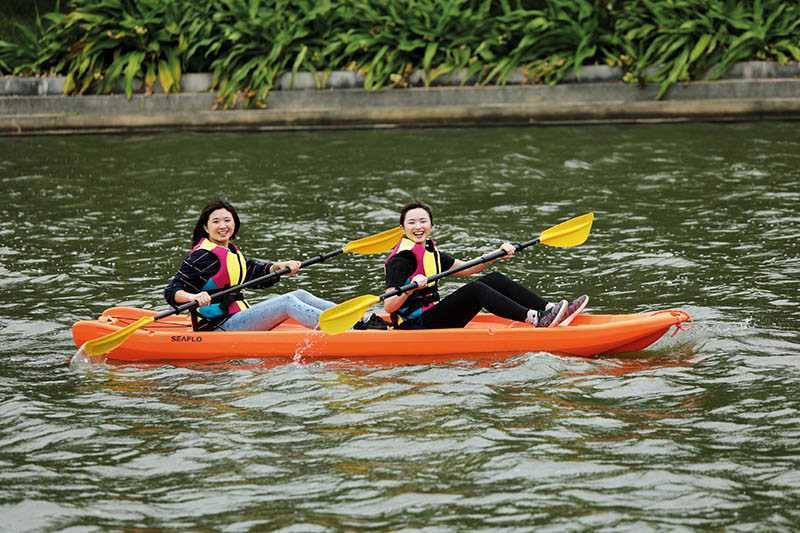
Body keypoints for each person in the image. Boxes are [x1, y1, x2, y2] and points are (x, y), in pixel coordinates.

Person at [383, 201, 589, 330]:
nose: (418, 227)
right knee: (476, 290)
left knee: (493, 279)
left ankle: (549, 309)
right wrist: (410, 290)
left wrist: (497, 255)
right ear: (403, 228)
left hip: (433, 317)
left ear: (431, 226)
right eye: (411, 223)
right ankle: (535, 319)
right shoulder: (401, 260)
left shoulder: (431, 252)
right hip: (415, 326)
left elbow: (466, 269)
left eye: (422, 221)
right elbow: (389, 306)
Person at [164, 199, 335, 332]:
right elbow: (172, 290)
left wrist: (278, 267)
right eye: (216, 222)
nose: (223, 226)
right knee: (287, 302)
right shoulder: (201, 256)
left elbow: (253, 272)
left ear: (234, 224)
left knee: (300, 294)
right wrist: (193, 297)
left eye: (227, 220)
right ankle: (342, 328)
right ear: (206, 228)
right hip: (218, 326)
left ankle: (358, 318)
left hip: (236, 317)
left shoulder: (230, 251)